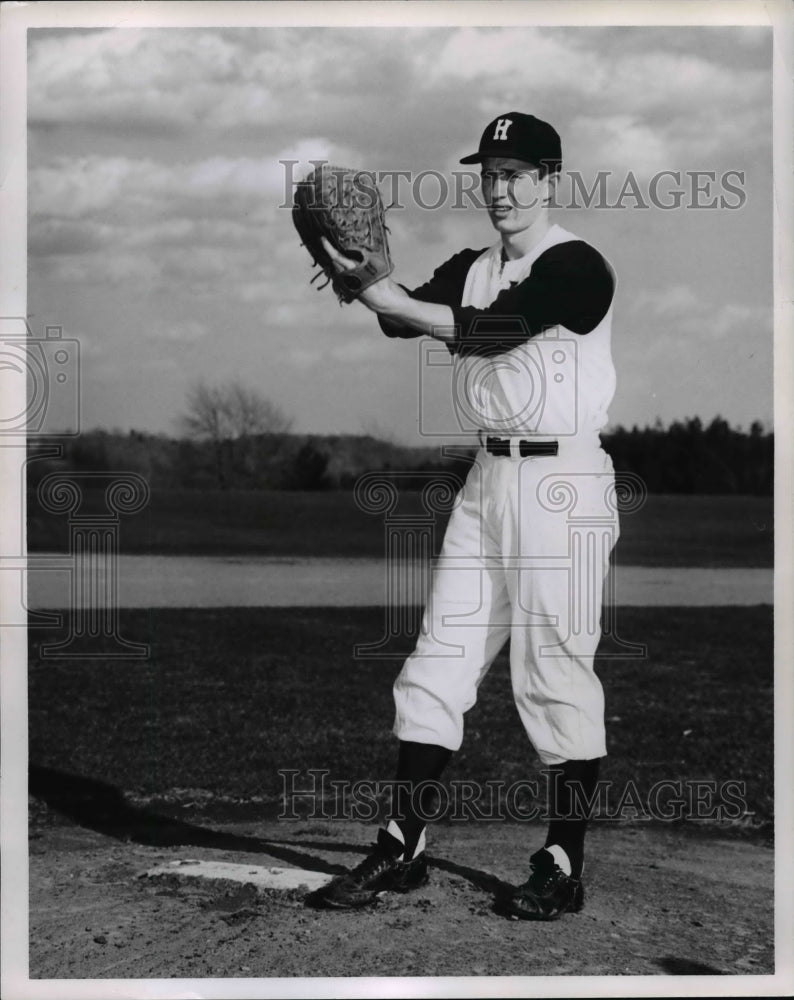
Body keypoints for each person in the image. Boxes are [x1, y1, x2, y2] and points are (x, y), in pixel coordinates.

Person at [316, 111, 619, 920]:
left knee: (555, 668)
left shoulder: (580, 266)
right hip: (488, 479)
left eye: (518, 174)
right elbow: (398, 312)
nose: (501, 189)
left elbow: (493, 331)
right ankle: (402, 843)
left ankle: (562, 862)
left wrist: (385, 295)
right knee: (437, 659)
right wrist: (359, 270)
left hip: (565, 485)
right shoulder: (474, 263)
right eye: (490, 175)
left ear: (552, 181)